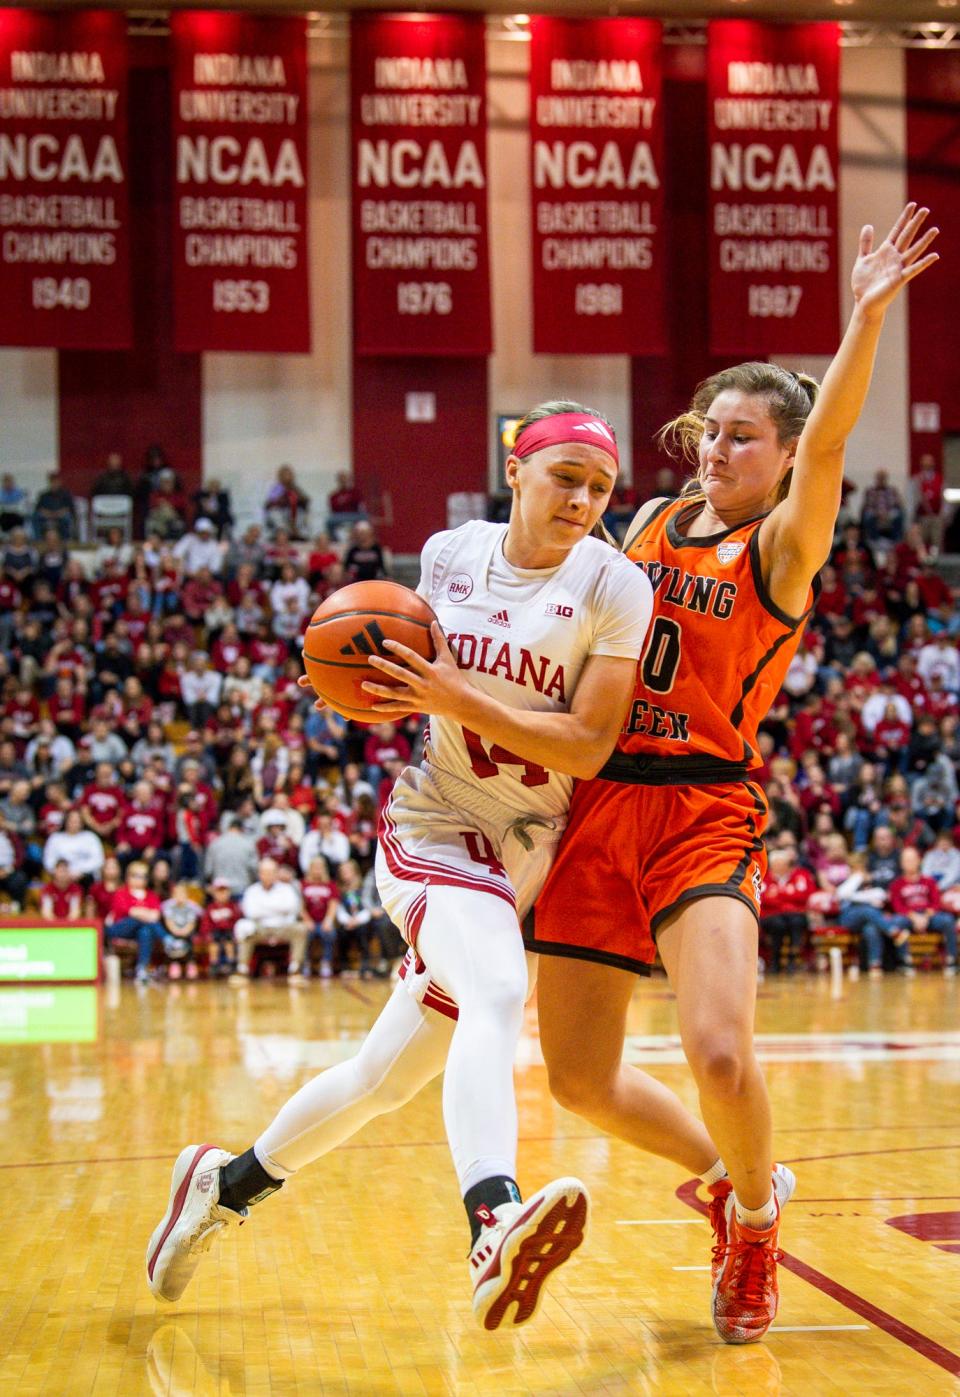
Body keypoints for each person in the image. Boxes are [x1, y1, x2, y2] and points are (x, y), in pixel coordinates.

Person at [145, 399, 653, 1330]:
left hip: (526, 852)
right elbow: (404, 675)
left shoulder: (616, 586)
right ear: (518, 472)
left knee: (383, 1080)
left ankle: (224, 1183)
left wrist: (451, 689)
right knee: (500, 992)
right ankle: (492, 1220)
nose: (583, 500)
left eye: (600, 488)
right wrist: (359, 682)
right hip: (436, 821)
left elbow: (585, 745)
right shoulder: (451, 554)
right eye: (565, 478)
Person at [527, 203, 939, 1345]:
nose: (717, 447)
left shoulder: (780, 546)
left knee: (717, 1045)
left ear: (785, 457)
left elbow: (840, 437)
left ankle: (753, 1224)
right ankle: (735, 1175)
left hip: (703, 807)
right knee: (575, 1078)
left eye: (744, 435)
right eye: (711, 428)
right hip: (599, 796)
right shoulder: (646, 520)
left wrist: (865, 317)